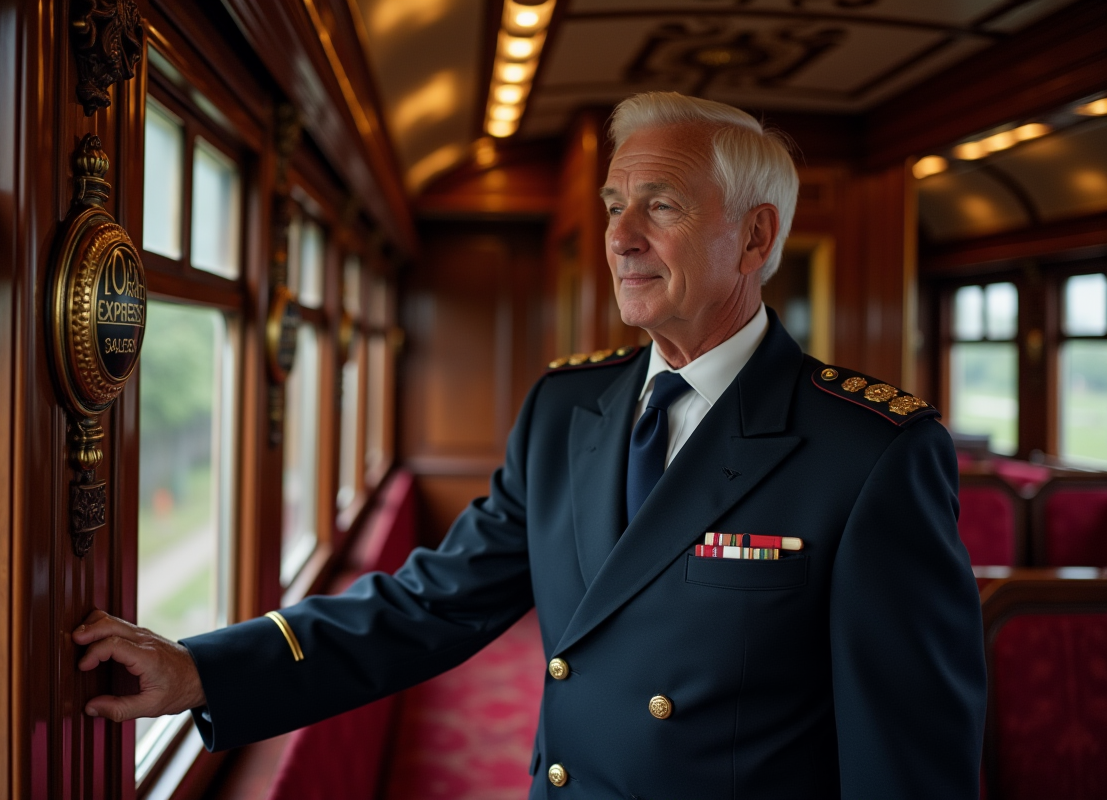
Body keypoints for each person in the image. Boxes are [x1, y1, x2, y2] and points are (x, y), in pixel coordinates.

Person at [75, 91, 986, 798]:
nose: (620, 236)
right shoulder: (566, 410)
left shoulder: (868, 453)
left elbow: (909, 762)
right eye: (615, 203)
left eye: (659, 205)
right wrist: (203, 669)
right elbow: (436, 603)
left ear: (756, 236)